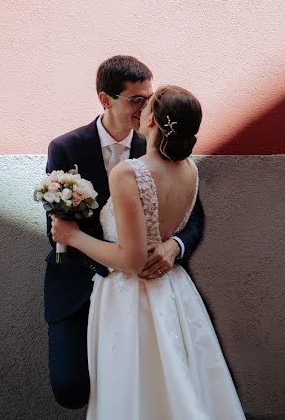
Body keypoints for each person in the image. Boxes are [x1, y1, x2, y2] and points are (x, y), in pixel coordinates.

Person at [51, 85, 245, 419]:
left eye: (148, 103)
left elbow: (132, 260)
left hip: (128, 296)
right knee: (180, 380)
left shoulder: (129, 172)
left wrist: (73, 236)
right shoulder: (190, 170)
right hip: (174, 291)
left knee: (134, 389)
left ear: (152, 117)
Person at [44, 56, 205, 410]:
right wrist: (113, 271)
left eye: (148, 98)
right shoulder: (66, 148)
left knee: (149, 388)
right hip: (80, 283)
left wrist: (173, 248)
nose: (146, 108)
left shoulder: (160, 146)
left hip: (145, 284)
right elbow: (57, 229)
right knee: (71, 388)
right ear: (106, 99)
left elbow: (194, 220)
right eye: (137, 100)